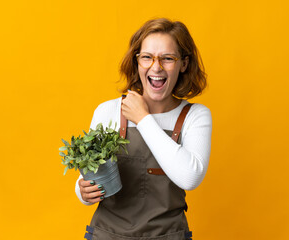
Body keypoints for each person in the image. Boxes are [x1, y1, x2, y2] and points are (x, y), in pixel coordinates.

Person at [75, 18, 212, 240]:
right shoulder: (107, 111)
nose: (156, 67)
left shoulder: (196, 116)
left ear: (184, 64)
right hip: (107, 235)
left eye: (168, 58)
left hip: (168, 235)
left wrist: (143, 119)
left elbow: (190, 178)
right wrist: (82, 191)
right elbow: (90, 174)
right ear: (137, 61)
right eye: (147, 57)